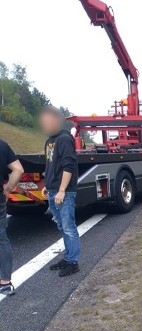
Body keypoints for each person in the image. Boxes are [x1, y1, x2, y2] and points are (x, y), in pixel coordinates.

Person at [39, 106, 80, 277]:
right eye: (44, 121)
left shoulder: (64, 139)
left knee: (69, 227)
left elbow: (68, 166)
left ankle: (73, 262)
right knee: (62, 226)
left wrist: (62, 190)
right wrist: (48, 185)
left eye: (48, 120)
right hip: (53, 190)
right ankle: (68, 257)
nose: (45, 124)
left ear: (56, 120)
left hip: (64, 192)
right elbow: (51, 166)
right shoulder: (50, 141)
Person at [0, 139, 24, 296]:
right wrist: (8, 189)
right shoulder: (2, 145)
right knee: (1, 239)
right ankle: (5, 283)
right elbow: (18, 170)